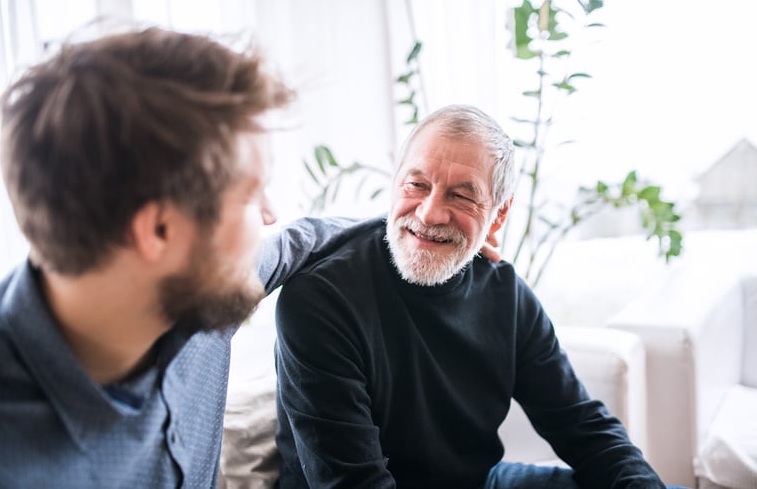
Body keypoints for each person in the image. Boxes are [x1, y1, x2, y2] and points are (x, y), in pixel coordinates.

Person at [0, 26, 374, 488]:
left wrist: (430, 226)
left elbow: (302, 239)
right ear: (158, 230)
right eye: (251, 192)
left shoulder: (187, 278)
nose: (270, 214)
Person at [274, 104, 677, 488]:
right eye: (417, 184)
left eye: (461, 195)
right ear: (396, 184)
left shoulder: (505, 294)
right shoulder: (320, 299)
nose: (430, 213)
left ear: (498, 214)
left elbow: (583, 428)